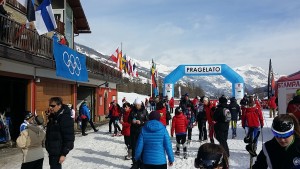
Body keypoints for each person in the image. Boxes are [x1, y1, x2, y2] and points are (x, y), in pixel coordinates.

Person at [46, 97, 74, 169]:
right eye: (50, 105)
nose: (50, 107)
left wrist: (63, 154)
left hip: (58, 152)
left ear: (59, 106)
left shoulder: (65, 118)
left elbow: (69, 138)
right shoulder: (54, 117)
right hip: (52, 150)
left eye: (53, 106)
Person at [128, 98, 149, 168]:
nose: (137, 106)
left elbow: (148, 121)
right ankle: (135, 163)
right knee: (134, 148)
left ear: (141, 104)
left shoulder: (144, 111)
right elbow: (129, 119)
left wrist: (141, 122)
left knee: (141, 147)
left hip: (142, 132)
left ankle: (142, 163)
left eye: (138, 105)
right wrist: (132, 121)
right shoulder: (132, 111)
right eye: (136, 105)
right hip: (133, 132)